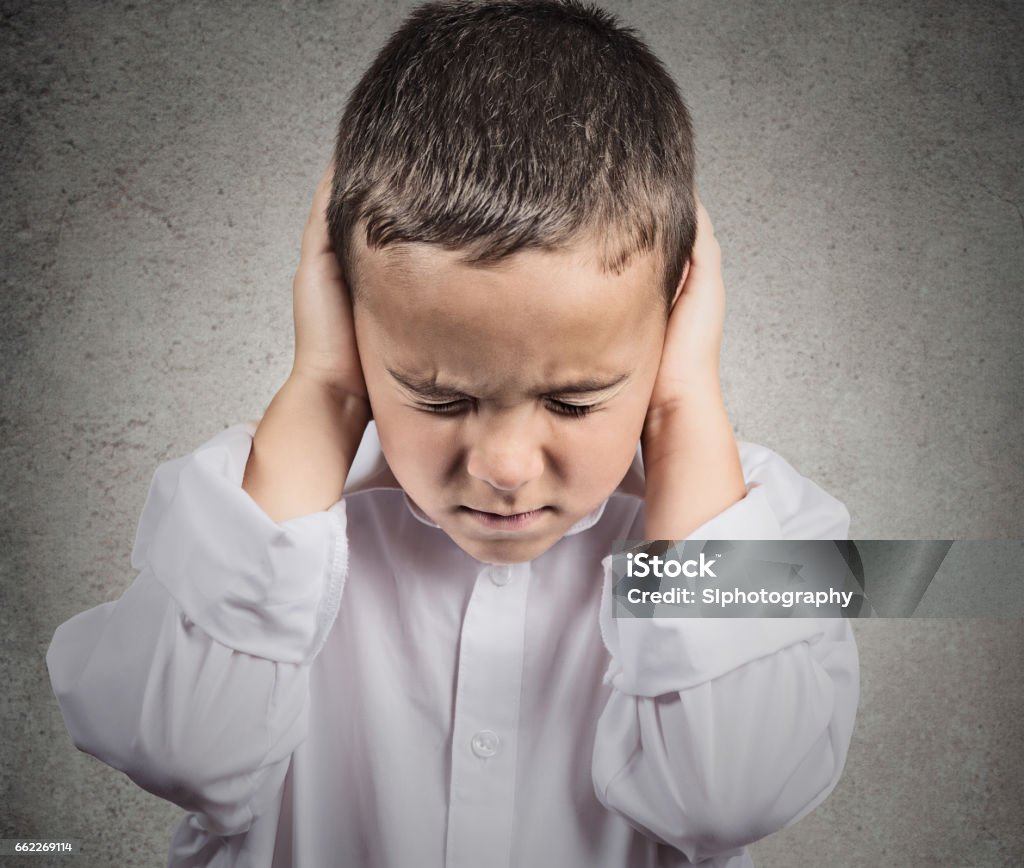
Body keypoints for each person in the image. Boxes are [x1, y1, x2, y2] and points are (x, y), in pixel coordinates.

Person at [46, 2, 859, 866]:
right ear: (348, 322)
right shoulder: (255, 515)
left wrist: (684, 404)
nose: (505, 468)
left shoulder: (769, 529)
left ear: (677, 323)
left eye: (577, 402)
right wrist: (322, 388)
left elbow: (733, 796)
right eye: (437, 399)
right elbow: (177, 749)